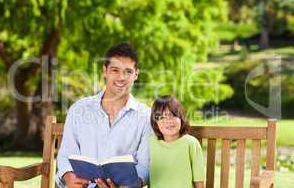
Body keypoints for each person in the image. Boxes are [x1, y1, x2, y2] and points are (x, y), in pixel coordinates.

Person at [56, 43, 153, 188]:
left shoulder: (145, 116)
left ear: (136, 74)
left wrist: (133, 184)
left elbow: (145, 164)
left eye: (128, 71)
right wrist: (69, 177)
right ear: (105, 71)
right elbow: (65, 155)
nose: (121, 77)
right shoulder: (79, 109)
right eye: (115, 70)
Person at [149, 95, 205, 188]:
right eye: (162, 117)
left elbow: (199, 180)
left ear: (181, 118)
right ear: (155, 122)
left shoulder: (191, 143)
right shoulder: (151, 142)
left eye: (173, 115)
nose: (169, 121)